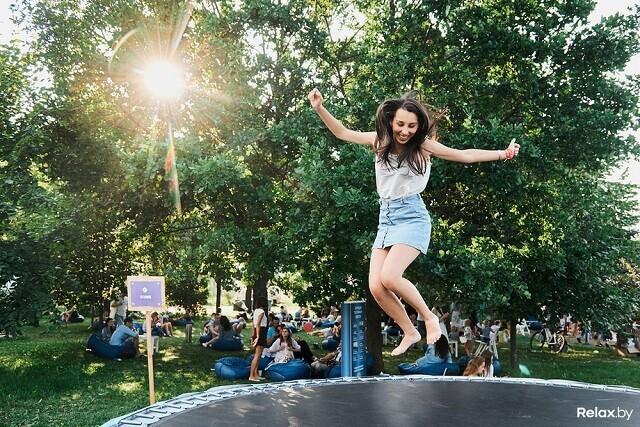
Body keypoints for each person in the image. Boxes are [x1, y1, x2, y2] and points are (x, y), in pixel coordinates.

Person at [309, 88, 520, 355]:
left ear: (419, 126)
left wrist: (503, 153)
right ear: (391, 121)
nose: (405, 131)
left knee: (390, 276)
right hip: (386, 219)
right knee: (376, 287)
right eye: (400, 124)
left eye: (411, 126)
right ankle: (410, 331)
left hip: (412, 216)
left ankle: (429, 318)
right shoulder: (380, 141)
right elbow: (342, 132)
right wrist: (319, 108)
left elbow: (465, 155)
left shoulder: (423, 146)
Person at [249, 296, 269, 382]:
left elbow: (253, 324)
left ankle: (255, 374)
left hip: (258, 331)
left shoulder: (256, 311)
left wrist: (253, 334)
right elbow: (258, 324)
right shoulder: (262, 311)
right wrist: (257, 336)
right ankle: (251, 375)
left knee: (259, 355)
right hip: (261, 331)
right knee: (257, 356)